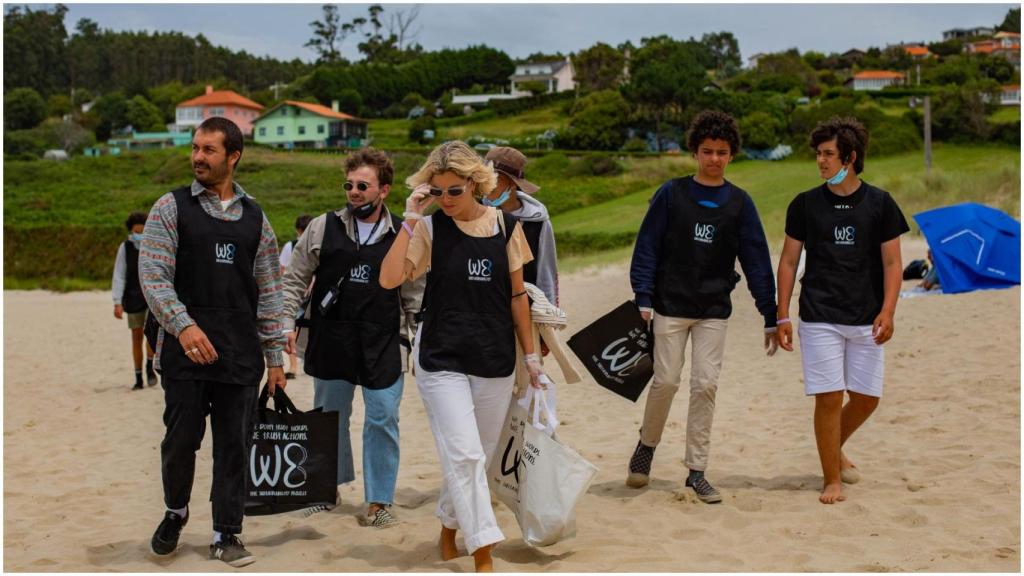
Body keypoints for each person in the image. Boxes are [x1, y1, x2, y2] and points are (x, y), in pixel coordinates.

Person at [379, 140, 545, 573]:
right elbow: (389, 278)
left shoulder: (508, 228)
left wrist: (532, 358)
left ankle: (448, 528)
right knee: (466, 456)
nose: (446, 200)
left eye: (455, 191)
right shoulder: (430, 229)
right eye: (438, 192)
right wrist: (411, 218)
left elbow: (517, 297)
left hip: (494, 361)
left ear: (475, 184)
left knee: (478, 457)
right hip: (440, 358)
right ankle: (485, 551)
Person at [140, 117, 287, 566]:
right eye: (195, 148)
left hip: (240, 354)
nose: (198, 157)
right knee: (181, 440)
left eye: (208, 150)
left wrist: (275, 355)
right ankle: (175, 511)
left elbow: (270, 290)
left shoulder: (257, 219)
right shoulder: (170, 207)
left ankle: (227, 532)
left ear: (233, 156)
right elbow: (154, 277)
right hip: (184, 354)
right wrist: (183, 326)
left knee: (234, 445)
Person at [627, 110, 778, 504]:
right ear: (695, 151)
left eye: (722, 152)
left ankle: (697, 471)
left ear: (732, 155)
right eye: (708, 151)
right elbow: (647, 248)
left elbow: (757, 260)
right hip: (670, 305)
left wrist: (770, 313)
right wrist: (643, 296)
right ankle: (646, 445)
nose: (714, 158)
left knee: (705, 386)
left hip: (714, 308)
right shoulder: (670, 194)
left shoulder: (740, 204)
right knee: (667, 381)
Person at [281, 148, 423, 528]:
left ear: (385, 190)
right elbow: (294, 279)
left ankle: (379, 501)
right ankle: (328, 489)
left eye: (363, 185)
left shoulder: (403, 233)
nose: (354, 191)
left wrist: (417, 337)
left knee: (383, 417)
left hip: (383, 341)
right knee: (330, 417)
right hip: (332, 337)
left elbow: (414, 292)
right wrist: (283, 324)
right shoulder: (322, 227)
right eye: (349, 185)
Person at [775, 116, 909, 504]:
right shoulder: (804, 205)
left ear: (849, 157)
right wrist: (782, 314)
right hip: (819, 315)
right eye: (818, 154)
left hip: (867, 316)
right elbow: (787, 261)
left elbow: (892, 264)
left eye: (828, 154)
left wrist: (889, 310)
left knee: (867, 398)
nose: (820, 161)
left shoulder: (881, 203)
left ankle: (832, 446)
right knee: (829, 398)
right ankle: (830, 478)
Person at [482, 146, 559, 306]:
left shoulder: (539, 222)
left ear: (513, 184)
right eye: (484, 178)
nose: (487, 185)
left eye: (495, 179)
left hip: (525, 306)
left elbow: (546, 270)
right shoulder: (475, 214)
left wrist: (550, 308)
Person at [112, 211, 158, 390]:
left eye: (143, 231)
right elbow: (119, 275)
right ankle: (138, 376)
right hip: (132, 297)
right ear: (131, 231)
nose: (140, 234)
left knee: (151, 334)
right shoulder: (125, 248)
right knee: (136, 337)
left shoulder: (153, 246)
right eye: (137, 231)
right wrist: (117, 301)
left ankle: (149, 366)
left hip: (151, 297)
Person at [280, 214, 313, 379]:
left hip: (311, 296)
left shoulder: (317, 245)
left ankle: (306, 359)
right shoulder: (290, 247)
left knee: (306, 328)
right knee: (291, 328)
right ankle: (293, 366)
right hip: (295, 294)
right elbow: (283, 269)